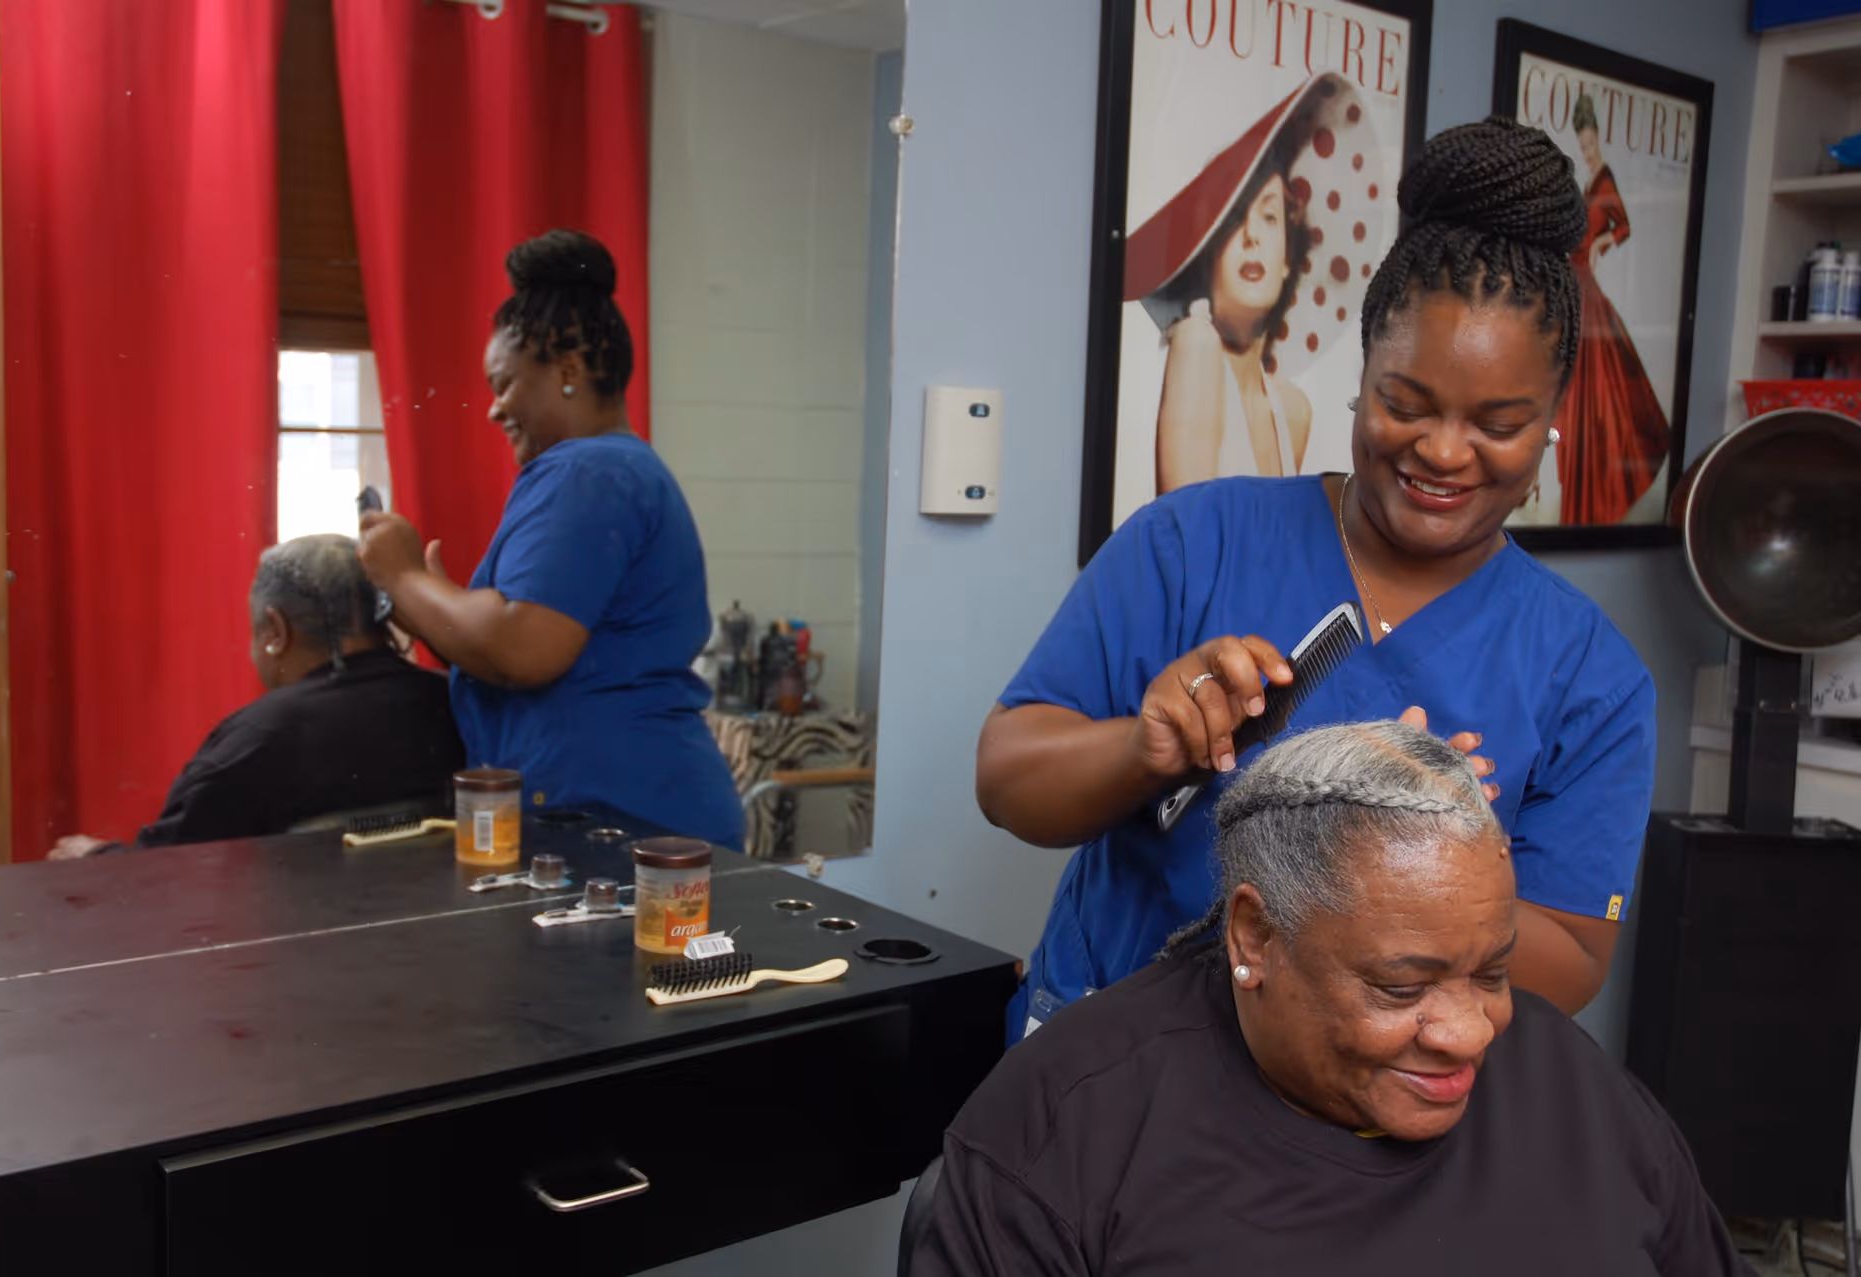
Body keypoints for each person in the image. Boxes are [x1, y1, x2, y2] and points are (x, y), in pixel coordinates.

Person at [977, 118, 1655, 1042]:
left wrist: (1419, 856)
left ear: (1548, 427)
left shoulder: (1589, 676)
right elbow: (1009, 779)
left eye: (1498, 423)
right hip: (1109, 1063)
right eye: (1404, 403)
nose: (1444, 451)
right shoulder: (1193, 542)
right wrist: (1147, 748)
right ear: (1362, 374)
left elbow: (1574, 961)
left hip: (1359, 1123)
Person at [923, 722, 1746, 1277]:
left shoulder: (1573, 1086)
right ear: (1254, 936)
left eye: (1493, 972)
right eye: (1400, 986)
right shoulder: (1066, 1125)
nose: (1468, 1033)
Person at [358, 230, 744, 849]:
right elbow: (514, 636)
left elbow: (524, 648)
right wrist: (438, 603)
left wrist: (404, 577)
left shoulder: (585, 470)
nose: (493, 409)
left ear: (567, 372)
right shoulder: (617, 468)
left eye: (504, 384)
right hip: (627, 821)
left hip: (632, 829)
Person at [48, 535, 465, 857]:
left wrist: (97, 858)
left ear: (276, 630)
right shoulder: (455, 700)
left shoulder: (258, 736)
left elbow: (165, 874)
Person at [1132, 72, 1383, 490]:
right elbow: (1186, 543)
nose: (1251, 235)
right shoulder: (1197, 343)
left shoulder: (1293, 411)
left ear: (1288, 259)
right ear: (1208, 257)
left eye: (1269, 217)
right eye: (1233, 221)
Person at [1555, 92, 1673, 525]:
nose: (1586, 152)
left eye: (1589, 144)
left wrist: (1602, 243)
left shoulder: (1604, 181)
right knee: (1581, 396)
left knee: (1598, 395)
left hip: (1584, 288)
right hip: (1574, 284)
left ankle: (1596, 497)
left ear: (1598, 138)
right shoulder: (1590, 183)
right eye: (1581, 146)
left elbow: (1622, 225)